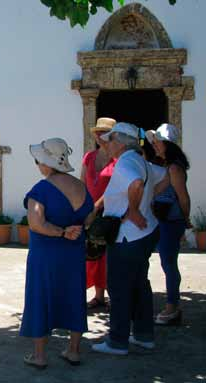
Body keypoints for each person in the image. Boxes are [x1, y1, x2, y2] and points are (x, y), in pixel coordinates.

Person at [92, 123, 168, 355]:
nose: (106, 143)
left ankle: (117, 341)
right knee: (139, 284)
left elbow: (135, 183)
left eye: (110, 139)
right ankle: (144, 335)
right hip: (145, 232)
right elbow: (165, 176)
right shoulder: (139, 159)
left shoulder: (125, 162)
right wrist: (147, 200)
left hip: (128, 236)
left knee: (119, 288)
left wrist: (134, 209)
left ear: (121, 141)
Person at [20, 138, 94, 369]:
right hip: (73, 252)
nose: (37, 165)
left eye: (38, 161)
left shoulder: (40, 189)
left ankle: (39, 356)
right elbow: (90, 217)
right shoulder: (80, 186)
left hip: (46, 254)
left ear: (46, 162)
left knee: (40, 297)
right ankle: (73, 351)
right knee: (74, 295)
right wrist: (73, 229)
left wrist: (61, 232)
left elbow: (35, 223)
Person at [146, 124, 191, 325]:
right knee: (166, 263)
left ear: (167, 144)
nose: (154, 145)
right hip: (163, 221)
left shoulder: (173, 168)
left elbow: (183, 198)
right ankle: (171, 306)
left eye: (157, 141)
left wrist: (185, 221)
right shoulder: (166, 165)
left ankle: (172, 307)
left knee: (169, 264)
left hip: (170, 222)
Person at [80, 117, 117, 310]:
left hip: (109, 212)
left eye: (104, 133)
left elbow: (115, 189)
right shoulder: (89, 157)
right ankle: (99, 296)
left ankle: (113, 296)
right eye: (97, 133)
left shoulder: (118, 160)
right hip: (90, 212)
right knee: (92, 253)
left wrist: (96, 206)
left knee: (108, 256)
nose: (99, 136)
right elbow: (82, 183)